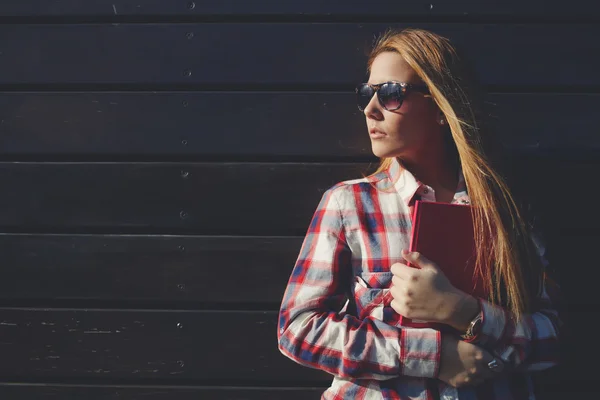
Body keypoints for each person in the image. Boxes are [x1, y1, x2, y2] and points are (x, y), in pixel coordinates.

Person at [277, 28, 562, 399]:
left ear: (442, 108)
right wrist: (434, 355)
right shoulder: (349, 204)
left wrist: (463, 312)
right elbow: (297, 328)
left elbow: (551, 339)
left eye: (390, 93)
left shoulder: (505, 210)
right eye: (367, 93)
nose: (370, 109)